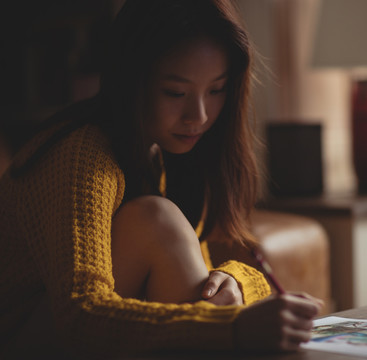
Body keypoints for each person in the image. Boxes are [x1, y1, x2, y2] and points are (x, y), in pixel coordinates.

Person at [0, 0, 323, 357]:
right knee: (155, 220)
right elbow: (79, 316)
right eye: (175, 92)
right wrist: (230, 329)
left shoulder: (159, 153)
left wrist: (236, 281)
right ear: (131, 80)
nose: (198, 116)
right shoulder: (83, 155)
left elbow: (198, 274)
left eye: (216, 90)